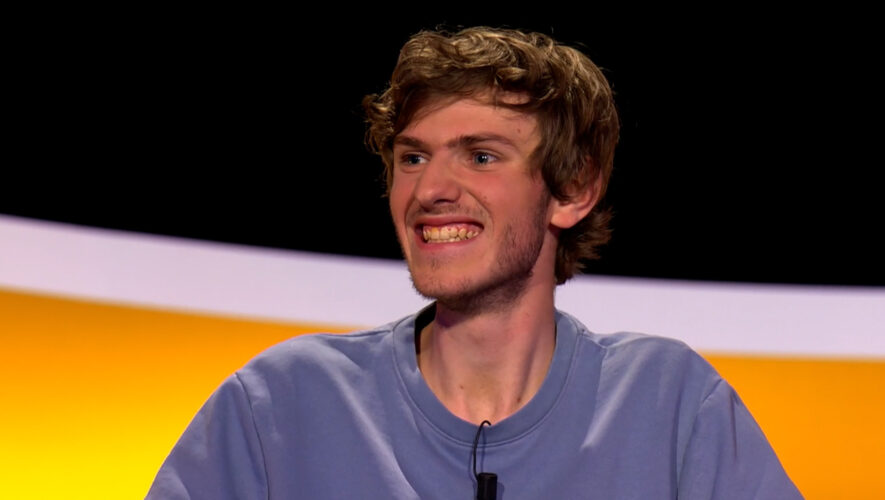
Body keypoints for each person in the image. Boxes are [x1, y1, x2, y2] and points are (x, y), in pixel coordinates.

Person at [147, 27, 802, 499]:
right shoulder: (283, 404)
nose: (430, 189)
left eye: (481, 156)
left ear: (573, 189)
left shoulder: (668, 406)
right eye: (412, 157)